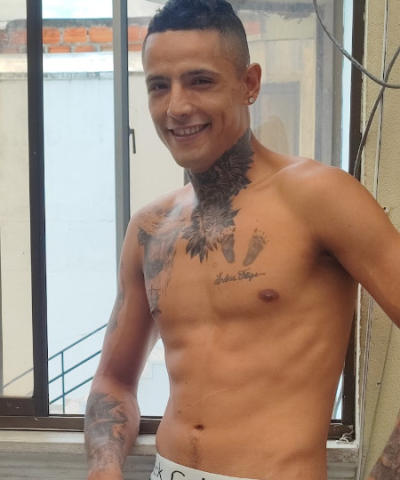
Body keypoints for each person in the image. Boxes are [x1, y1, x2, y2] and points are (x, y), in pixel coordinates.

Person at [83, 1, 400, 479]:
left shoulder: (320, 198)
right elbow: (112, 380)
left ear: (249, 84)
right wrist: (104, 468)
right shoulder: (151, 229)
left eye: (200, 81)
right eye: (158, 86)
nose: (176, 107)